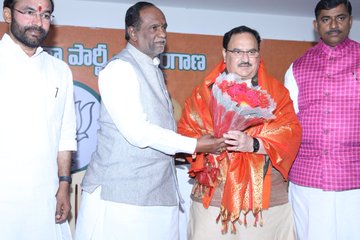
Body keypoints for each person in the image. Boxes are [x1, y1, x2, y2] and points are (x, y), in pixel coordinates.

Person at [74, 2, 225, 240]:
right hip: (121, 196)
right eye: (154, 27)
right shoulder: (120, 69)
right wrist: (195, 145)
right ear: (132, 33)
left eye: (164, 27)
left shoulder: (152, 69)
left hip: (157, 193)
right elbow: (138, 132)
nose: (162, 33)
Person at [177, 25, 302, 240]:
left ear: (259, 54)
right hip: (213, 202)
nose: (246, 58)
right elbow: (187, 134)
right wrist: (209, 145)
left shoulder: (277, 94)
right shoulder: (204, 93)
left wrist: (252, 144)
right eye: (238, 51)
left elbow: (290, 135)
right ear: (225, 54)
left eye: (252, 51)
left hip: (266, 206)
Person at [0, 0, 77, 239]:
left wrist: (64, 184)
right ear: (8, 14)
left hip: (45, 197)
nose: (38, 22)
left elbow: (65, 133)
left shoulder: (60, 70)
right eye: (30, 12)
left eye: (46, 15)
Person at [284, 0, 360, 239]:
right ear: (316, 25)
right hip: (308, 179)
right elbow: (287, 124)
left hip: (354, 178)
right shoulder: (297, 67)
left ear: (350, 20)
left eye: (340, 17)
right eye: (326, 19)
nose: (334, 24)